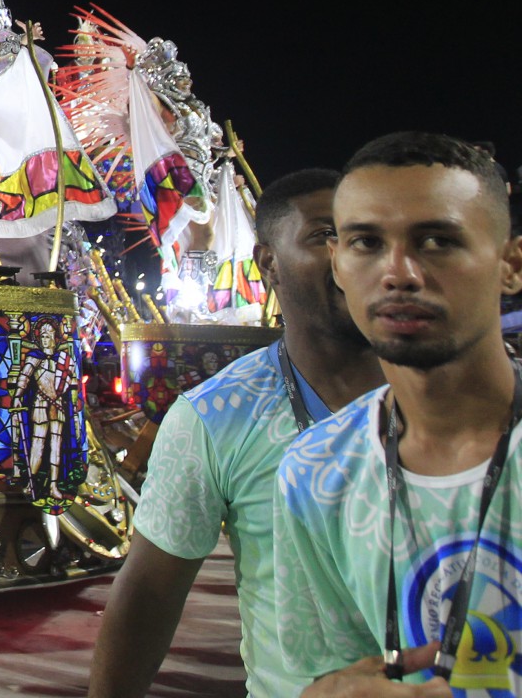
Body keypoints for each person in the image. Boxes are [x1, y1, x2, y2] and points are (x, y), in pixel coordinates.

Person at [88, 169, 385, 698]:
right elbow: (151, 593)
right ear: (267, 262)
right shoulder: (217, 416)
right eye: (325, 235)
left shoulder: (455, 393)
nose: (350, 257)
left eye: (365, 238)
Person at [272, 134, 522, 695]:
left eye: (437, 240)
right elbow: (334, 674)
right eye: (366, 242)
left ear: (510, 265)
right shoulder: (315, 470)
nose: (399, 272)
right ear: (337, 264)